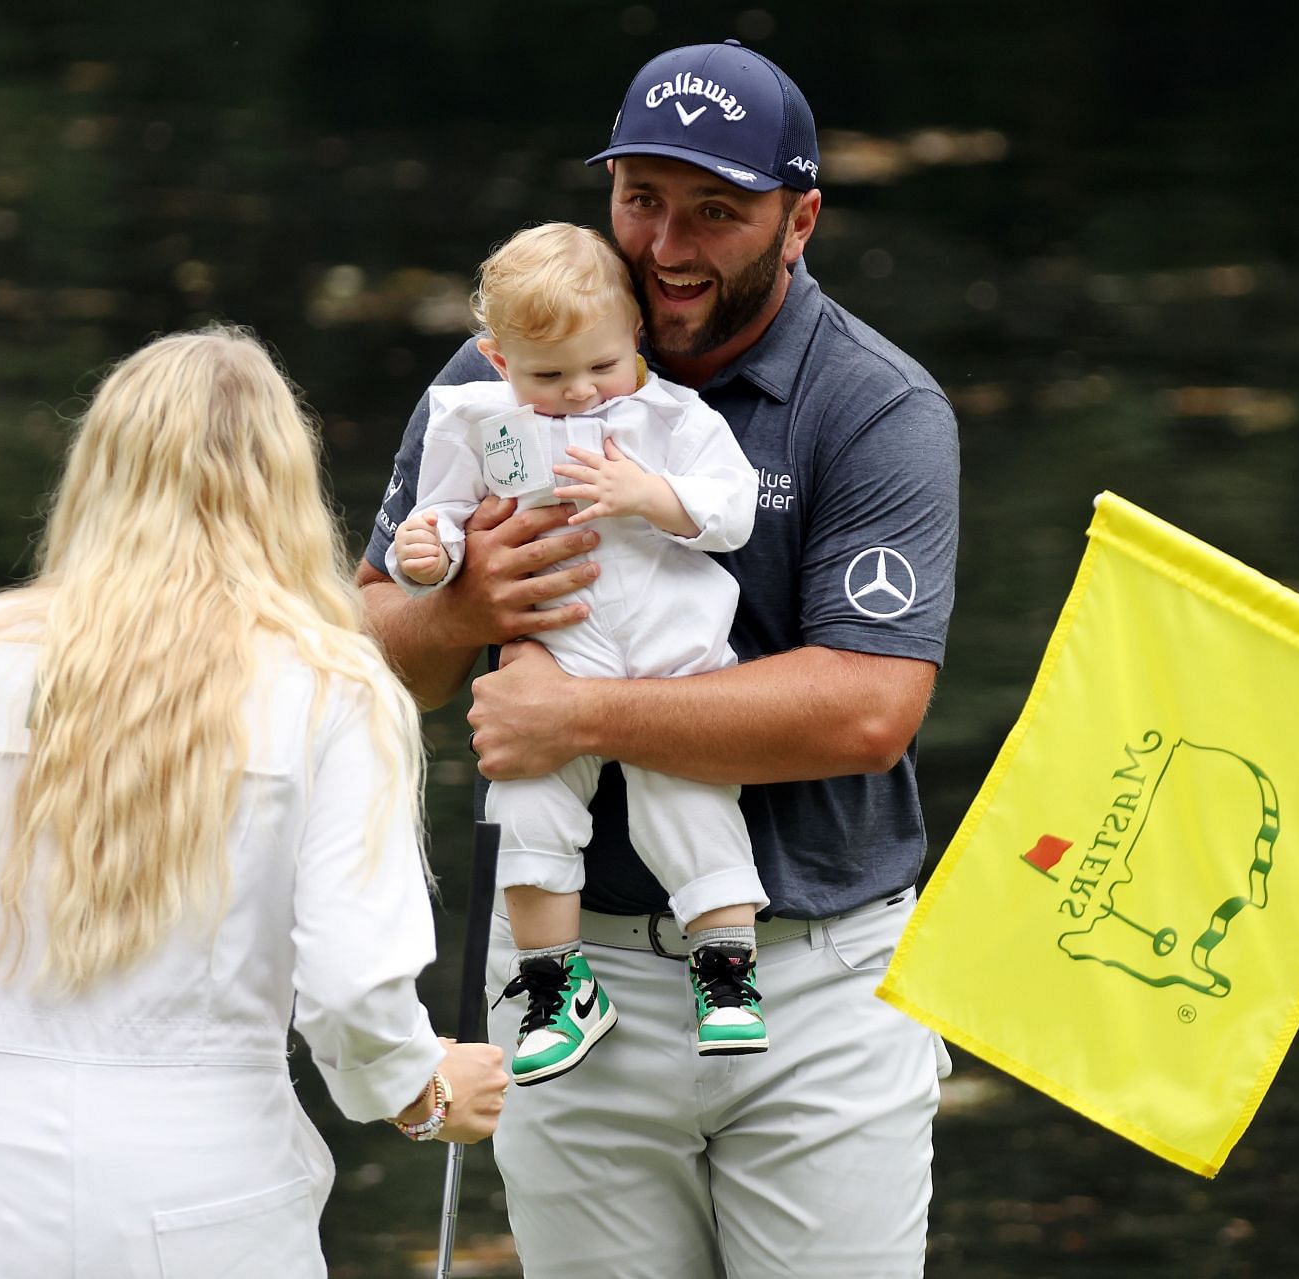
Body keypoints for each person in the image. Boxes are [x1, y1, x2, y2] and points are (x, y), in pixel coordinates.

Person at [359, 40, 959, 1279]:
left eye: (715, 213)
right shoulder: (496, 376)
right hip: (571, 990)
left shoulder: (873, 405)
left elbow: (866, 711)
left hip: (818, 984)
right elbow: (366, 655)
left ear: (800, 221)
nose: (667, 247)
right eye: (642, 200)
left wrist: (576, 715)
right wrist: (460, 601)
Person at [0, 327, 508, 1279]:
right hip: (210, 1185)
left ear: (96, 470)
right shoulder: (330, 685)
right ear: (283, 486)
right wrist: (419, 1087)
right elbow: (351, 985)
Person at [387, 221, 769, 1085]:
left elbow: (733, 510)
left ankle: (728, 973)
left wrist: (653, 495)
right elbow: (441, 515)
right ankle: (558, 986)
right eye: (547, 376)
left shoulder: (672, 417)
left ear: (635, 333)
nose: (580, 393)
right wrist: (430, 556)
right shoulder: (480, 424)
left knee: (690, 805)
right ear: (497, 360)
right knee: (524, 811)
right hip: (554, 662)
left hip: (673, 666)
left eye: (600, 366)